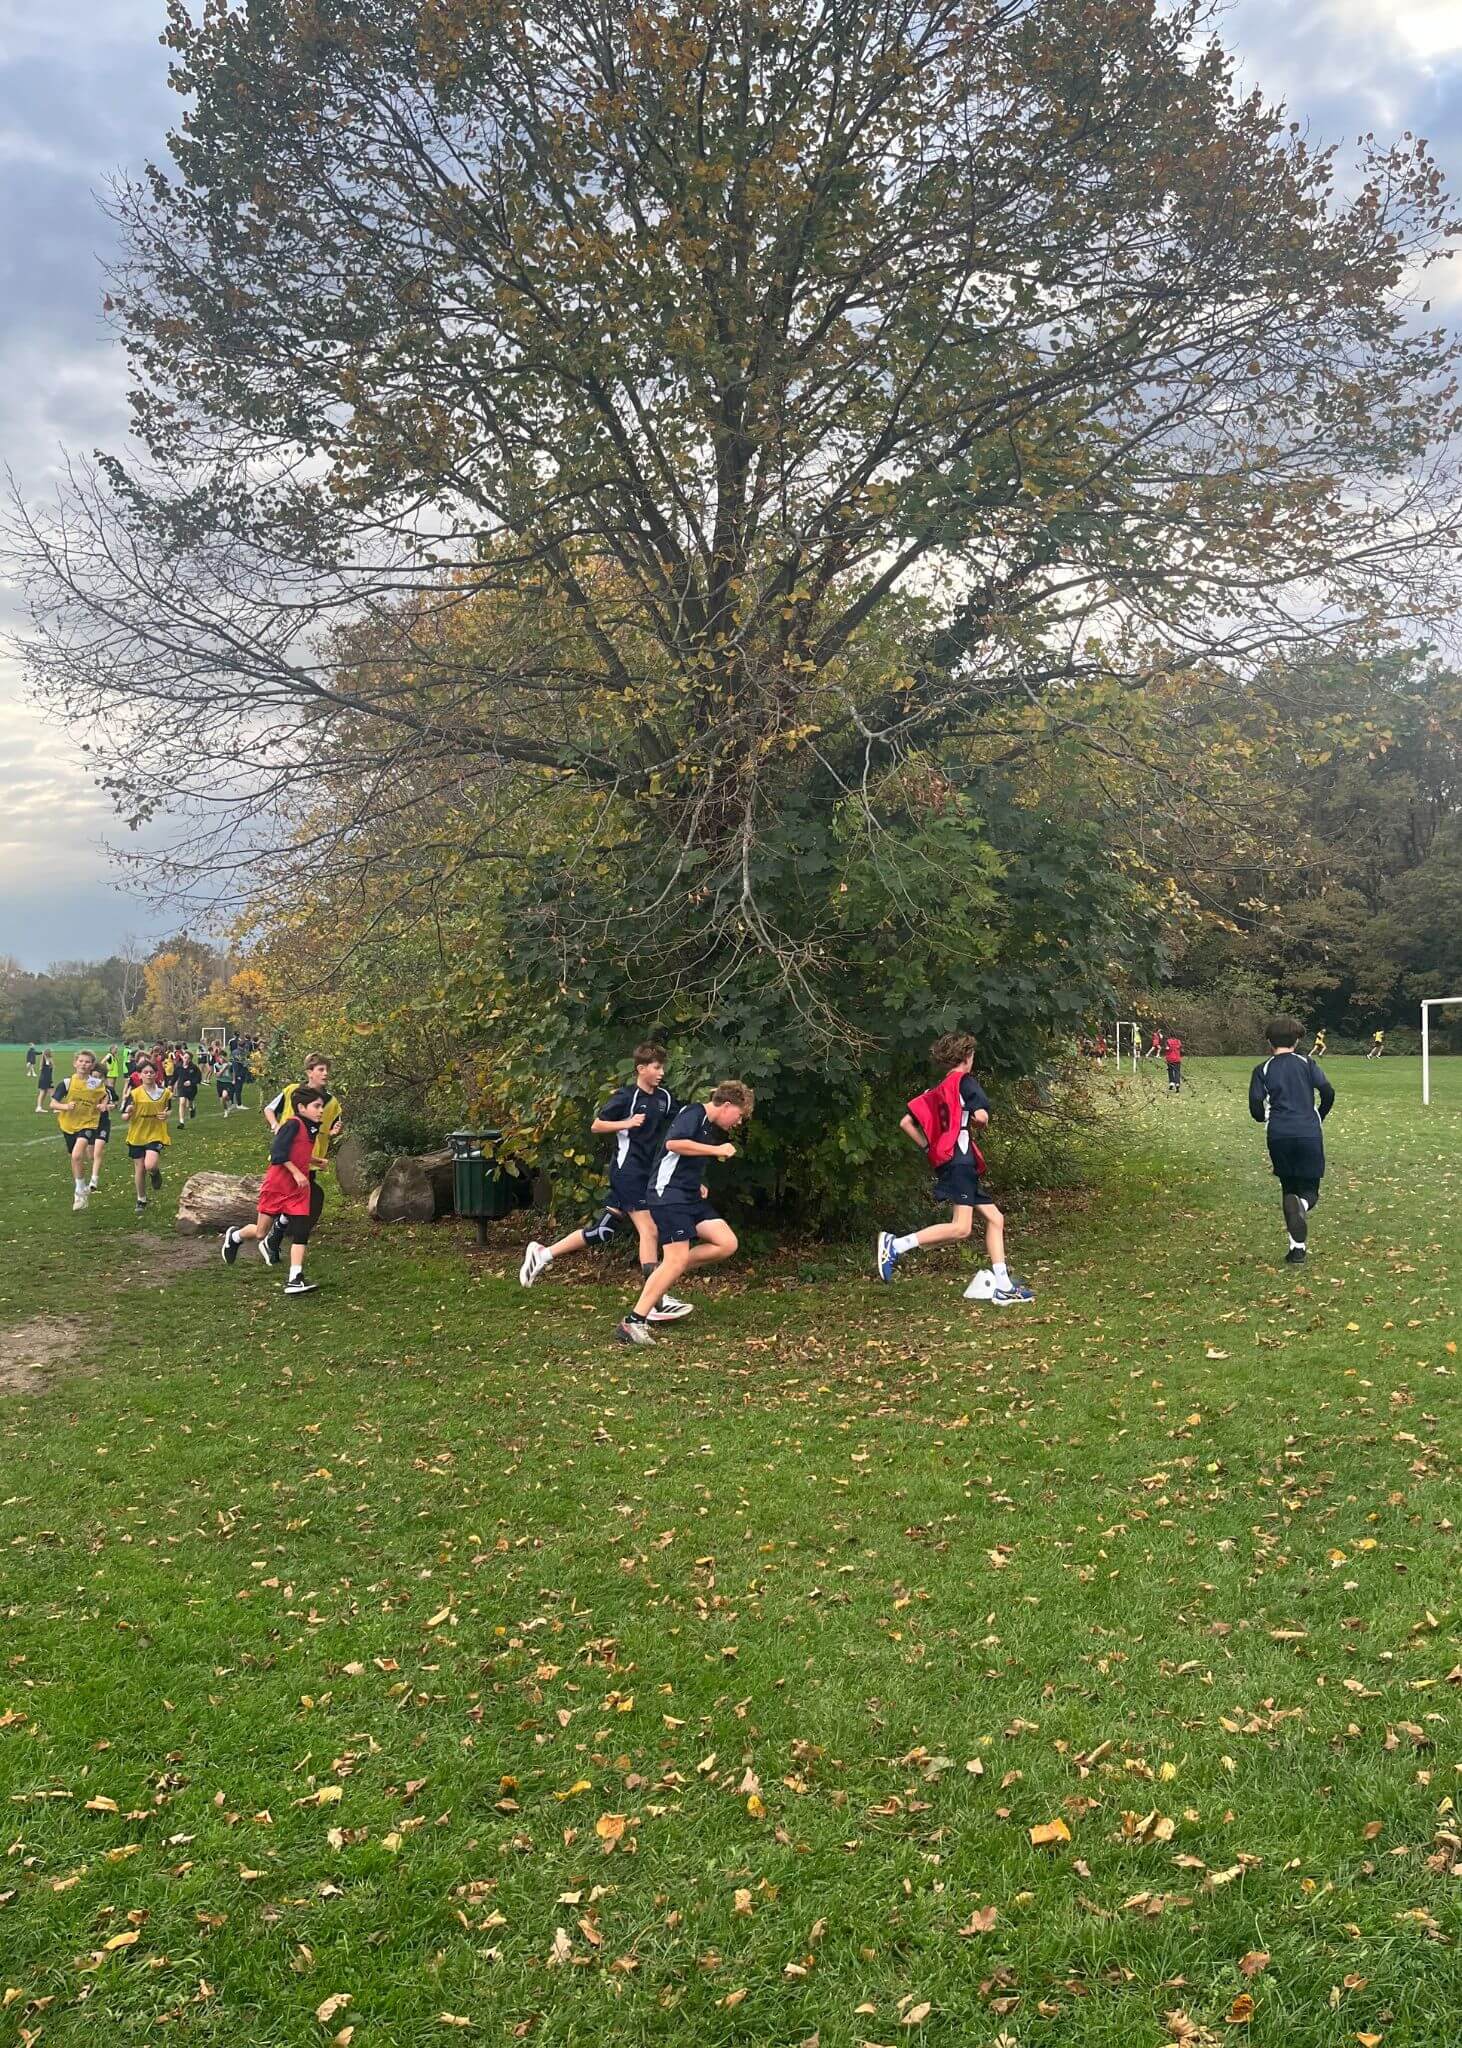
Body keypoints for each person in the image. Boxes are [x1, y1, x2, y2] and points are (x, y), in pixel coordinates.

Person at [519, 1042, 691, 1319]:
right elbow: (597, 1125)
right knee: (650, 1231)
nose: (661, 1072)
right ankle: (656, 1300)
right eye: (657, 1067)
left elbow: (679, 1125)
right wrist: (626, 1123)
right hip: (627, 1172)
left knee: (603, 1231)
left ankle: (543, 1253)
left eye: (663, 1067)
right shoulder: (626, 1097)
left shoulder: (665, 1098)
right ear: (641, 1069)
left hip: (647, 1173)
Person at [877, 1031, 1033, 1304]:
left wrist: (929, 1148)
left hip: (956, 1163)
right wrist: (977, 1121)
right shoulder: (966, 1082)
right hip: (961, 1163)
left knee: (996, 1219)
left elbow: (906, 1123)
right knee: (961, 1228)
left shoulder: (937, 1091)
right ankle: (896, 1245)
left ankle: (1004, 1285)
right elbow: (982, 1116)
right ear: (967, 1057)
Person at [615, 1080, 754, 1345]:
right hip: (668, 1196)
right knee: (675, 1260)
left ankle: (664, 1271)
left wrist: (696, 1182)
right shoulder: (693, 1113)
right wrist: (716, 1150)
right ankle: (632, 1322)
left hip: (687, 1196)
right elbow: (674, 1144)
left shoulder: (708, 1125)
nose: (738, 1122)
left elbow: (679, 1159)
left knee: (726, 1243)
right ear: (727, 1105)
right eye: (739, 1115)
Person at [221, 1083, 328, 1295]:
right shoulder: (292, 1124)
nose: (321, 1110)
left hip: (297, 1190)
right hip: (277, 1186)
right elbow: (278, 1153)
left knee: (301, 1230)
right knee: (261, 1233)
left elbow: (298, 1151)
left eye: (321, 1106)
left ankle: (295, 1278)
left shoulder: (312, 1127)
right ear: (302, 1108)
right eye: (316, 1106)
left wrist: (316, 1160)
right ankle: (234, 1237)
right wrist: (297, 1172)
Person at [1249, 1017, 1334, 1266]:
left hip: (1279, 1134)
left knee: (1289, 1190)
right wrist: (1319, 1114)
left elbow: (1255, 1106)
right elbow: (1327, 1091)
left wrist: (1264, 1115)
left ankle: (1297, 1250)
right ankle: (1304, 1207)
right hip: (1308, 1132)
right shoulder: (1307, 1063)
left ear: (1268, 1042)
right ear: (1297, 1040)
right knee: (1309, 1191)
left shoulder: (1262, 1069)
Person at [262, 1056, 344, 1258]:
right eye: (321, 1069)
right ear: (309, 1072)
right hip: (287, 1157)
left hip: (311, 1159)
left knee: (299, 1199)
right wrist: (276, 1126)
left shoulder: (332, 1101)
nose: (326, 1074)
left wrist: (334, 1131)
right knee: (294, 1199)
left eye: (327, 1070)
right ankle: (272, 1238)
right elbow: (269, 1109)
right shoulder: (291, 1091)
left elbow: (334, 1124)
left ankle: (274, 1238)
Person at [49, 1050, 114, 1210]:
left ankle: (78, 1193)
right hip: (68, 1124)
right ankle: (81, 1187)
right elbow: (53, 1104)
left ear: (92, 1065)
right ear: (75, 1063)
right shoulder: (67, 1083)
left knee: (78, 1154)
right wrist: (65, 1106)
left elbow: (105, 1094)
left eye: (87, 1062)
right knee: (75, 1158)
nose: (84, 1064)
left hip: (88, 1123)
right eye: (81, 1061)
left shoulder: (95, 1083)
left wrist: (103, 1104)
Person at [120, 1057, 172, 1213]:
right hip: (137, 1134)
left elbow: (169, 1109)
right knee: (140, 1169)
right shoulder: (134, 1094)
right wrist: (128, 1113)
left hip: (156, 1133)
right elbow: (124, 1115)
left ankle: (155, 1173)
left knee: (150, 1164)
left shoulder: (165, 1093)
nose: (149, 1075)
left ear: (156, 1074)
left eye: (151, 1072)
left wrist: (166, 1115)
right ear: (139, 1075)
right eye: (145, 1072)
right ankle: (141, 1199)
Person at [175, 1048, 201, 1126]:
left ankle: (192, 1107)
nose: (186, 1059)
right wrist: (170, 1084)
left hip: (191, 1088)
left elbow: (198, 1078)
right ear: (183, 1057)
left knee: (189, 1103)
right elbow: (175, 1076)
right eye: (185, 1057)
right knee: (182, 1102)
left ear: (190, 1060)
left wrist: (191, 1082)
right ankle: (181, 1122)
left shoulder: (194, 1067)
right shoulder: (178, 1066)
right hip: (181, 1087)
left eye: (188, 1058)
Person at [34, 1047, 54, 1114]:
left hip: (44, 1079)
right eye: (51, 1052)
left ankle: (39, 1107)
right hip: (46, 1079)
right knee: (50, 1093)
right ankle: (55, 1107)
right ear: (49, 1054)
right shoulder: (47, 1061)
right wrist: (44, 1055)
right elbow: (47, 1069)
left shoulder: (45, 1060)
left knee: (44, 1093)